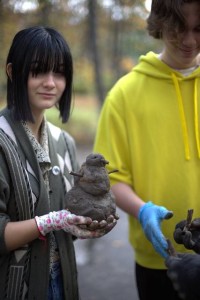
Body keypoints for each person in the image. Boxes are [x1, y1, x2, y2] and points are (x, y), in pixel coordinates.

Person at [0, 26, 117, 300]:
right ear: (12, 71)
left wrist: (85, 224)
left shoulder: (64, 141)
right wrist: (50, 222)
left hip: (63, 283)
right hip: (15, 287)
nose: (51, 82)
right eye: (38, 70)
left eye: (60, 72)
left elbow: (70, 214)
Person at [93, 0, 200, 299]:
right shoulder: (124, 95)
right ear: (161, 23)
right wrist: (142, 211)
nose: (189, 40)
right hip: (157, 261)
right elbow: (110, 178)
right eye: (179, 29)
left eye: (198, 29)